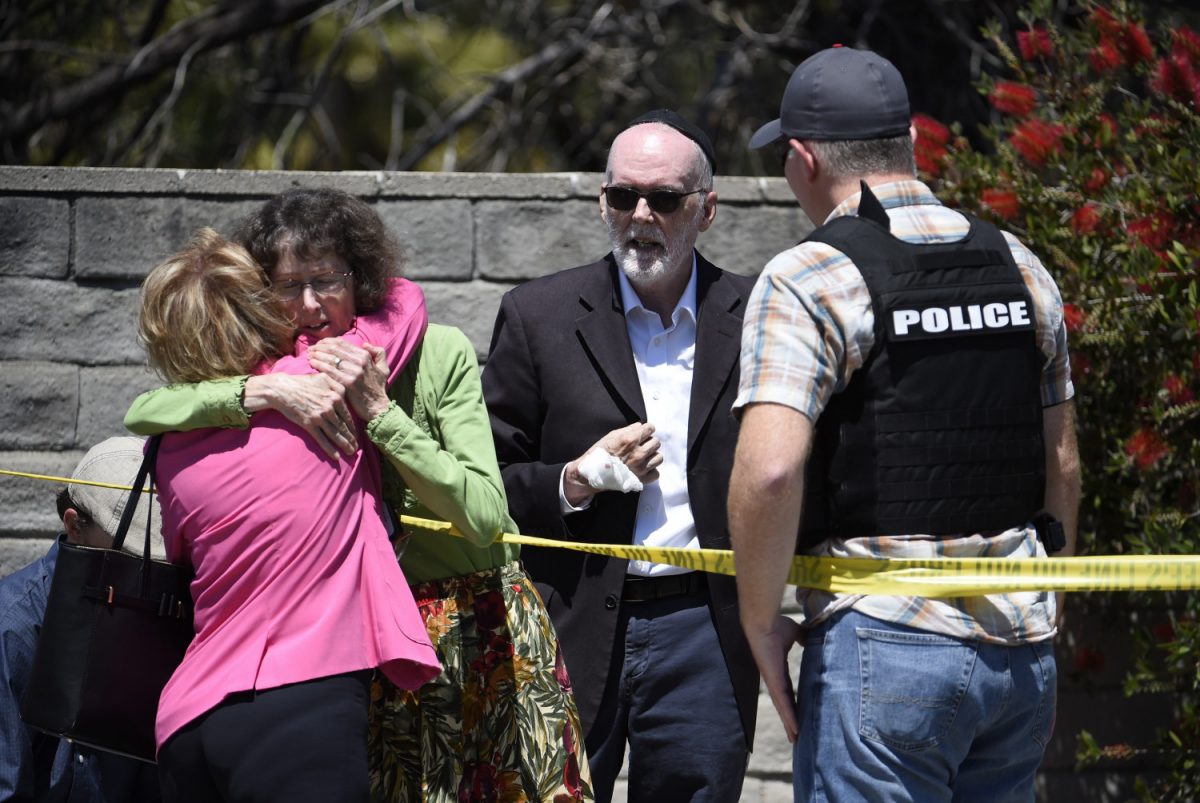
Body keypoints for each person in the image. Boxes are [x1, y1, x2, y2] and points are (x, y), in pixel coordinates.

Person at [125, 188, 590, 803]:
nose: (312, 305)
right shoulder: (276, 373)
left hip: (472, 629)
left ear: (361, 275)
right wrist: (255, 395)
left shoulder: (432, 350)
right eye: (288, 287)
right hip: (356, 651)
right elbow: (145, 408)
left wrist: (381, 416)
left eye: (327, 280)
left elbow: (487, 516)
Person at [728, 46, 1081, 801]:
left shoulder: (807, 276)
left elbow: (770, 469)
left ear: (802, 158)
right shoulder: (1020, 263)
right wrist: (1045, 609)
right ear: (913, 143)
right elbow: (1064, 465)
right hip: (1020, 646)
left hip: (886, 642)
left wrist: (761, 623)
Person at [482, 110, 758, 802]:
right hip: (571, 616)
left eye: (664, 199)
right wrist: (575, 480)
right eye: (622, 197)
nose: (641, 215)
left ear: (707, 209)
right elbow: (488, 476)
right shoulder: (537, 315)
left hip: (705, 627)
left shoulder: (758, 315)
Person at [135, 226, 440, 802]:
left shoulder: (168, 446)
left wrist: (250, 392)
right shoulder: (320, 383)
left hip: (186, 723)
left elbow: (181, 552)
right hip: (300, 709)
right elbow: (405, 298)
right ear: (260, 312)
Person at [0, 436, 164, 802]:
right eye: (130, 554)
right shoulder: (11, 628)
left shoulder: (150, 616)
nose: (148, 573)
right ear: (74, 525)